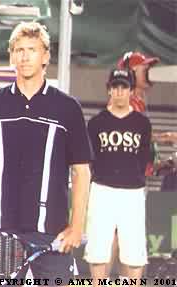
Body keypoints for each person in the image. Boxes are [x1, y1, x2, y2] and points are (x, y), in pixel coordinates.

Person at [0, 21, 92, 285]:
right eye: (19, 49)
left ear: (46, 55)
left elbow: (82, 172)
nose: (25, 56)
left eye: (32, 49)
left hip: (52, 234)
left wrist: (77, 226)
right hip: (1, 230)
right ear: (11, 55)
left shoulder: (68, 107)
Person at [84, 69, 152, 286]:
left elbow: (143, 159)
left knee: (134, 250)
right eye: (116, 87)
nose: (120, 91)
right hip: (102, 189)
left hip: (132, 191)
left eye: (124, 87)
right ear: (109, 90)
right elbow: (90, 159)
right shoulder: (96, 123)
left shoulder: (142, 123)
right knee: (98, 248)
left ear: (131, 90)